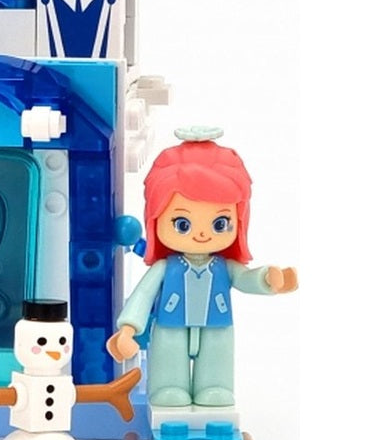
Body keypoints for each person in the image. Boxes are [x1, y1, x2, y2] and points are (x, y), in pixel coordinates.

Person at [106, 127, 298, 407]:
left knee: (217, 363)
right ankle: (169, 387)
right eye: (182, 224)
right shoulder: (166, 267)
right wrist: (128, 328)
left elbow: (245, 278)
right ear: (156, 220)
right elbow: (143, 296)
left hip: (217, 326)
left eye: (219, 223)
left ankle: (215, 386)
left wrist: (268, 279)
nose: (201, 234)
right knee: (169, 370)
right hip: (170, 327)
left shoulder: (224, 267)